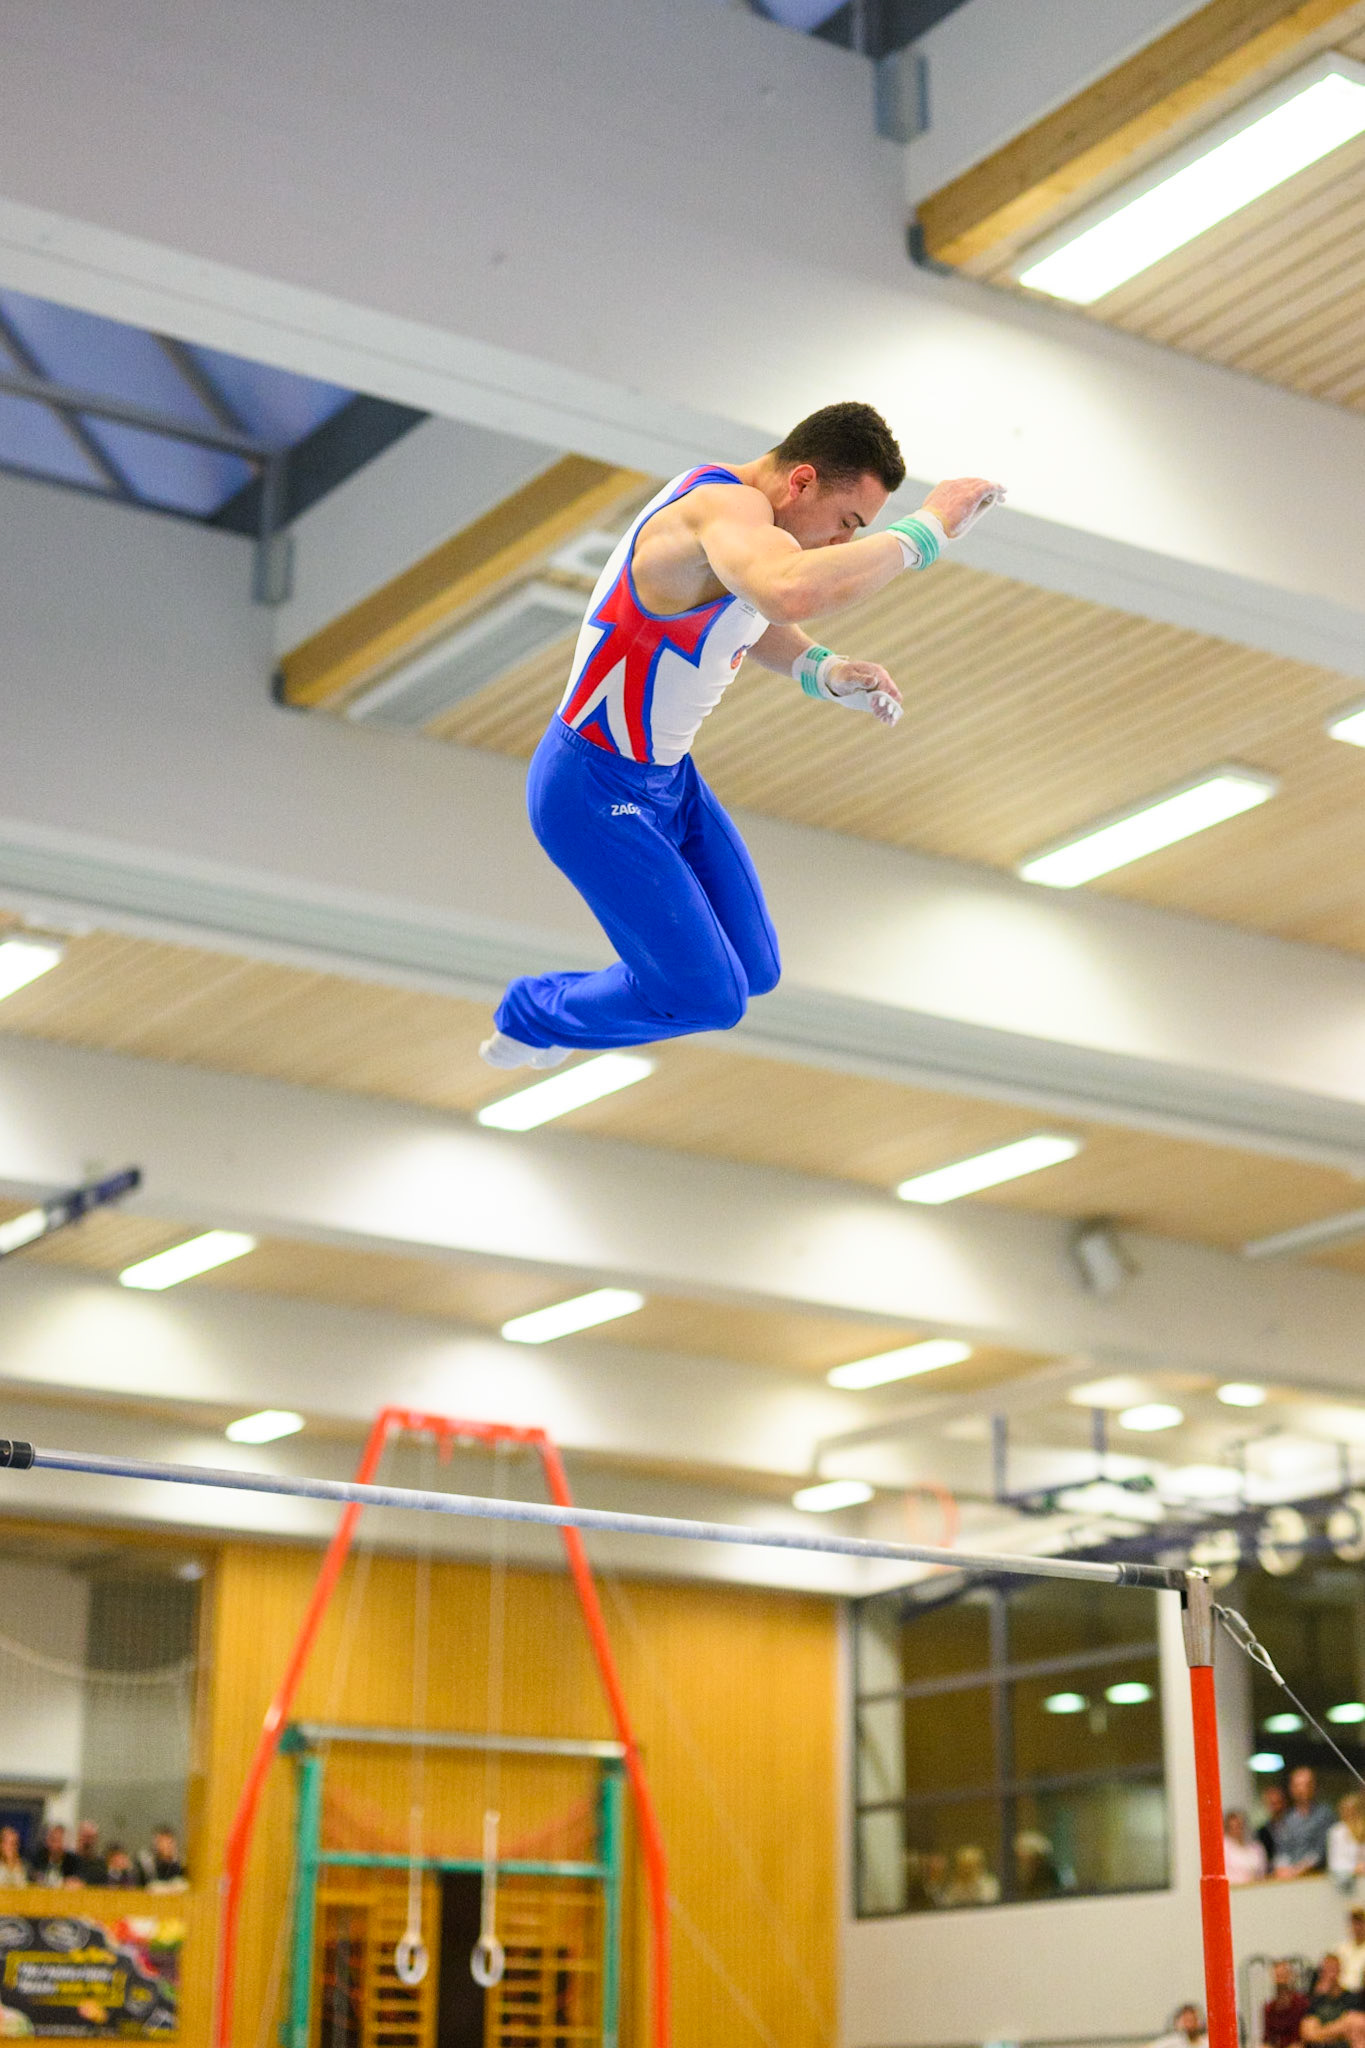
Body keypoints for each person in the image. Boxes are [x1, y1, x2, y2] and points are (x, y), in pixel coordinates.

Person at [480, 403, 1003, 1070]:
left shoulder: (748, 528)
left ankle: (579, 1014)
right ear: (802, 480)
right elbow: (785, 592)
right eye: (847, 521)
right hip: (591, 790)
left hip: (669, 781)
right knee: (711, 998)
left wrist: (822, 669)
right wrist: (926, 531)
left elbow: (748, 613)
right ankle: (536, 1013)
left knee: (755, 971)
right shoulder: (721, 509)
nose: (841, 543)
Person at [1276, 1767, 1336, 1878]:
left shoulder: (1325, 1814)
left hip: (1317, 1876)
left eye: (1307, 1784)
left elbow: (1321, 1850)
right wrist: (1282, 1867)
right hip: (1290, 1877)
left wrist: (1299, 1869)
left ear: (1314, 1786)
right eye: (1297, 1785)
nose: (1302, 1789)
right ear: (1291, 1789)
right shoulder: (1287, 1818)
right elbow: (1282, 1849)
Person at [1301, 1953, 1365, 2047]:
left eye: (1333, 1969)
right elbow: (1309, 2034)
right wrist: (1341, 2027)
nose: (1330, 1974)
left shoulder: (1352, 1998)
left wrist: (1320, 2031)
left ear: (1340, 1971)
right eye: (1326, 1970)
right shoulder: (1315, 2000)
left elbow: (1356, 2024)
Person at [1264, 1959, 1311, 2048]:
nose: (1281, 1981)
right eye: (1278, 1976)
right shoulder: (1269, 2008)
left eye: (1284, 1976)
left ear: (1291, 1977)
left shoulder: (1303, 2003)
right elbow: (1267, 2039)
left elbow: (1306, 2037)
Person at [942, 1843, 1001, 1907]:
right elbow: (946, 1904)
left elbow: (989, 1903)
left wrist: (973, 1885)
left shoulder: (989, 1884)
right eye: (963, 1866)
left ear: (979, 1866)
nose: (966, 1871)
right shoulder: (954, 1885)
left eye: (970, 1866)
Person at [1330, 1795, 1365, 1898]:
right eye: (1347, 1810)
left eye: (1354, 1810)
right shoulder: (1336, 1831)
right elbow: (1335, 1862)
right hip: (1349, 1883)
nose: (1350, 1813)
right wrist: (1353, 1868)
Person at [1225, 1807, 1269, 1884]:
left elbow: (1263, 1871)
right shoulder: (1223, 1848)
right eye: (1234, 1827)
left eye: (1240, 1825)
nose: (1238, 1829)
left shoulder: (1257, 1847)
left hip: (1257, 1886)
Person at [28, 1822, 80, 1886]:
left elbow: (77, 1880)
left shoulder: (72, 1861)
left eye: (59, 1841)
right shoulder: (38, 1857)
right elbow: (31, 1875)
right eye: (52, 1840)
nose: (55, 1845)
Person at [138, 1825, 186, 1889]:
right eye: (161, 1842)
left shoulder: (181, 1863)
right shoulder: (148, 1863)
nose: (165, 1846)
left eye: (169, 1842)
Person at [1260, 1782, 1290, 1865]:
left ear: (1285, 1803)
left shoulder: (1295, 1825)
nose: (1277, 1807)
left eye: (1278, 1802)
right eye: (1272, 1803)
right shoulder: (1262, 1832)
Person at [1337, 1906, 1365, 1993]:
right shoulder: (1341, 1949)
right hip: (1341, 1994)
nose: (1357, 1928)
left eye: (1360, 1924)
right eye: (1354, 1924)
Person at [73, 1819, 106, 1886]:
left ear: (96, 1839)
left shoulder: (100, 1864)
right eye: (84, 1837)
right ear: (78, 1837)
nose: (87, 1842)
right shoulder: (69, 1860)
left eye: (90, 1837)